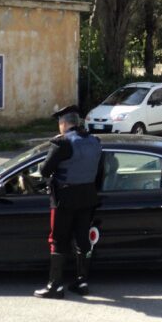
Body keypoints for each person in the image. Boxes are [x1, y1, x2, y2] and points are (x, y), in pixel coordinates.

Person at [34, 105, 102, 298]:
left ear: (64, 124)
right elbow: (100, 171)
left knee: (57, 240)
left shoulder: (62, 143)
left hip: (64, 200)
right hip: (88, 198)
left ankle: (54, 286)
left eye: (59, 123)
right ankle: (82, 282)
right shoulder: (95, 141)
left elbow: (45, 171)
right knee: (82, 240)